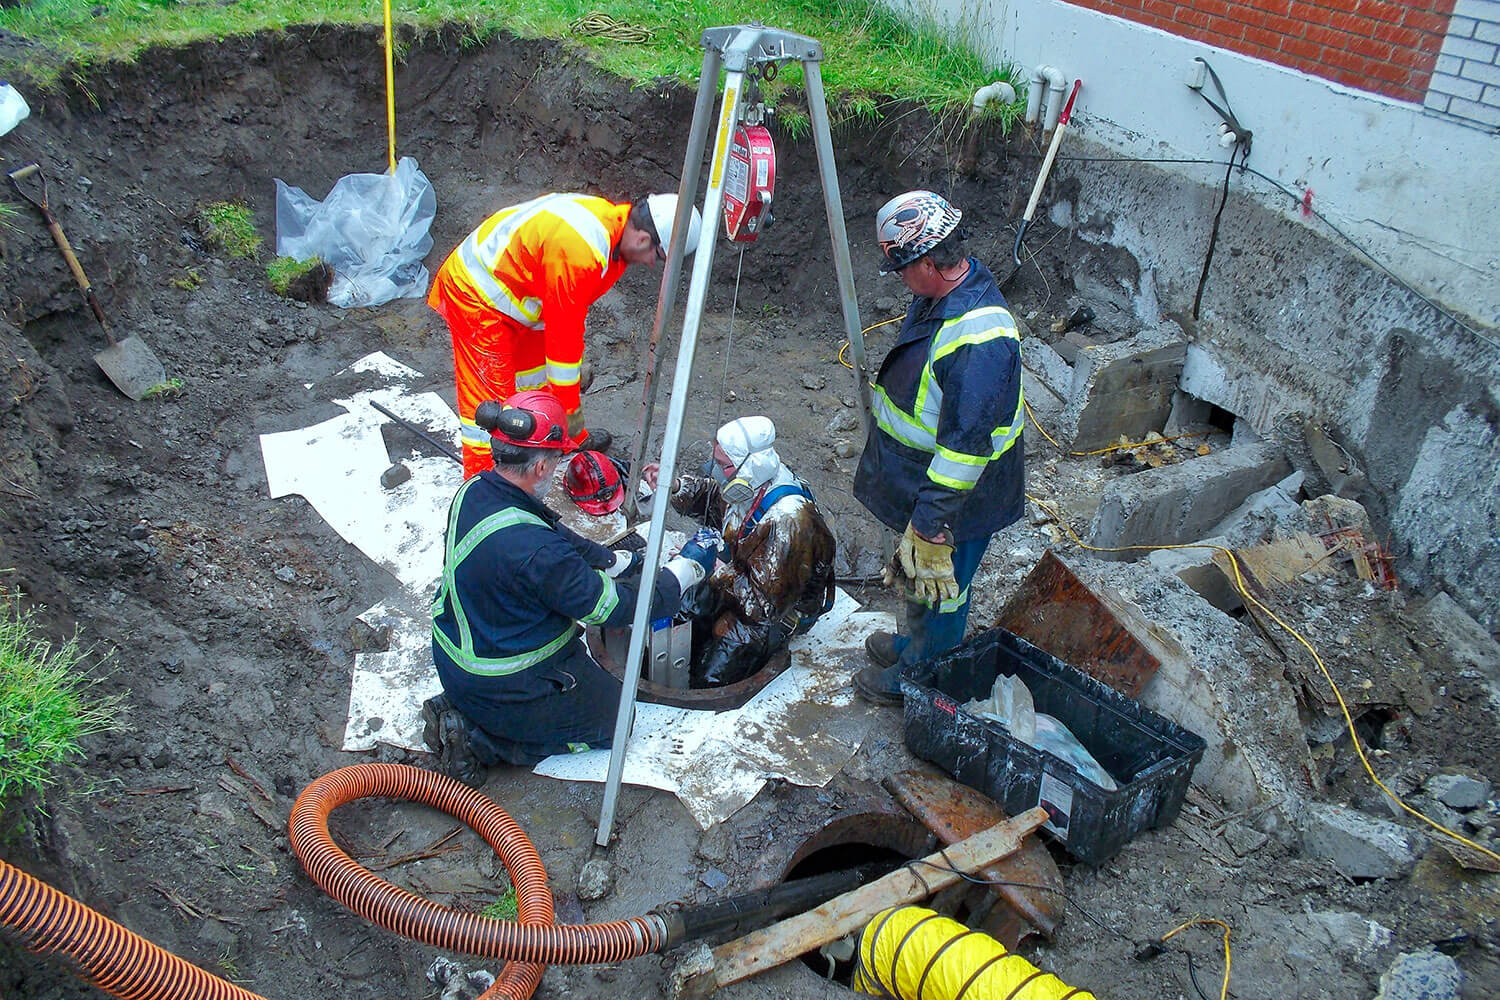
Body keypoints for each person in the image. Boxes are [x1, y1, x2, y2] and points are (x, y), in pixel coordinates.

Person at [422, 390, 723, 786]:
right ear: (544, 468)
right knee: (618, 722)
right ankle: (479, 739)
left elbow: (549, 527)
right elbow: (616, 608)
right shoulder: (538, 553)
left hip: (457, 656)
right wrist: (683, 571)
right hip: (506, 679)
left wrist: (614, 560)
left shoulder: (476, 491)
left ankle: (470, 703)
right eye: (558, 459)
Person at [851, 190, 1025, 705]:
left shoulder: (978, 339)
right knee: (918, 577)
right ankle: (912, 645)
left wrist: (931, 523)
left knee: (942, 589)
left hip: (963, 496)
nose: (902, 279)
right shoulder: (939, 295)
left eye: (904, 267)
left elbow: (965, 450)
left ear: (930, 261)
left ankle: (921, 676)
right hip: (931, 482)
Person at [428, 192, 703, 478]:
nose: (650, 264)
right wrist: (570, 415)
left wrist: (574, 431)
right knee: (490, 413)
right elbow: (563, 345)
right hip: (478, 297)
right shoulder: (582, 253)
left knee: (534, 387)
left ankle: (542, 444)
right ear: (644, 240)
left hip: (521, 297)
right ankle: (484, 488)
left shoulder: (610, 231)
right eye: (657, 258)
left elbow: (568, 317)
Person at [642, 417, 836, 687]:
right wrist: (675, 485)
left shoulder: (789, 521)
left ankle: (704, 683)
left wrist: (716, 571)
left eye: (723, 465)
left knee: (712, 676)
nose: (717, 472)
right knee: (679, 610)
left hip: (770, 611)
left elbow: (764, 606)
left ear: (750, 464)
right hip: (740, 576)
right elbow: (713, 498)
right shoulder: (747, 483)